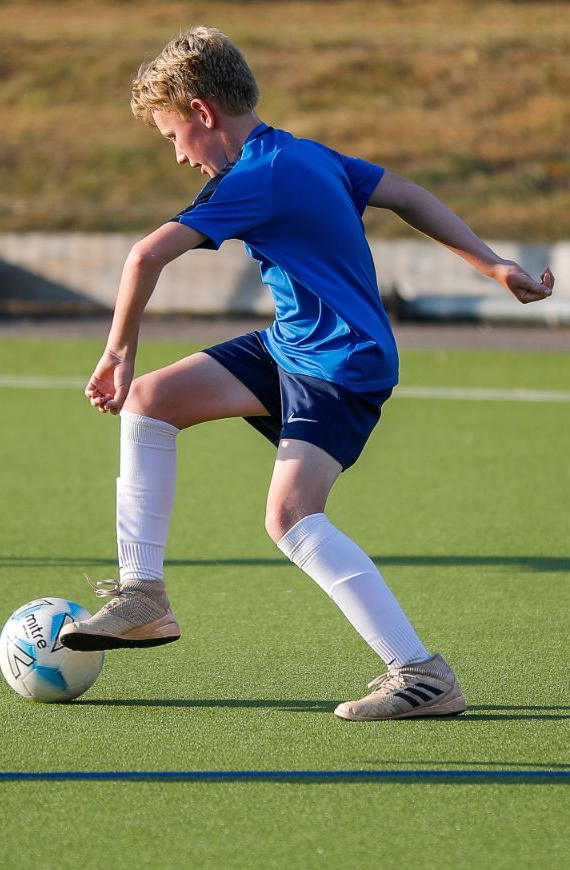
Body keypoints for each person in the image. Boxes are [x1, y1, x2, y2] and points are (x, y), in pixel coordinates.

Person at [58, 26, 554, 721]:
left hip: (342, 361)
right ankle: (144, 596)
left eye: (174, 136)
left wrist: (116, 350)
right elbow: (408, 193)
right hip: (296, 344)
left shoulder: (254, 177)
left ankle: (422, 673)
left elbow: (145, 255)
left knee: (290, 515)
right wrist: (493, 262)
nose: (177, 155)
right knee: (152, 400)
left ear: (203, 112)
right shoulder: (305, 154)